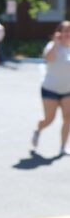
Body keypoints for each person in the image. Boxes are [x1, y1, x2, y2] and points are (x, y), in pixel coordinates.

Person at [31, 20, 70, 156]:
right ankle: (38, 130)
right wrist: (55, 43)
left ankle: (63, 146)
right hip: (50, 89)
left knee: (68, 118)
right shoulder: (52, 46)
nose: (68, 34)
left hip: (67, 91)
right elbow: (48, 59)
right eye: (65, 31)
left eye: (69, 31)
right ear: (59, 33)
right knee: (49, 119)